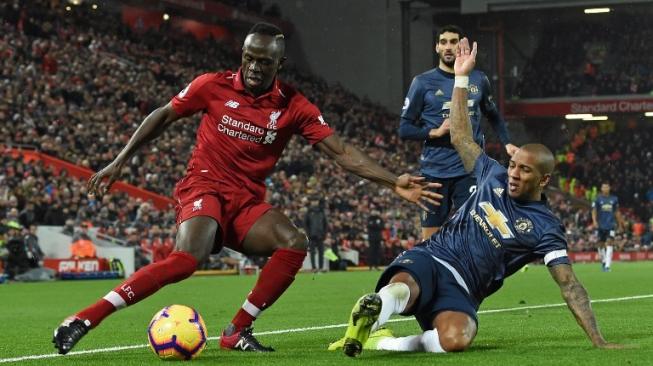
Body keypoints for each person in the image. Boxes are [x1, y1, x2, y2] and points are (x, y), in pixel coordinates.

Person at [52, 22, 441, 354]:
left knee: (294, 242)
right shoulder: (211, 86)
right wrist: (120, 161)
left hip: (245, 201)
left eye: (265, 62)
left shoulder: (293, 105)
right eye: (250, 58)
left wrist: (394, 182)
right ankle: (85, 318)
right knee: (189, 258)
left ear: (279, 64)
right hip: (204, 185)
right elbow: (163, 115)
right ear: (242, 54)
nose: (255, 67)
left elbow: (341, 152)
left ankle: (237, 330)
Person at [330, 38, 622, 357]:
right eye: (513, 165)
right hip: (433, 257)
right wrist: (461, 78)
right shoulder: (490, 172)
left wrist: (598, 339)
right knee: (402, 289)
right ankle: (371, 315)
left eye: (524, 170)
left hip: (464, 289)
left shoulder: (546, 229)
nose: (513, 173)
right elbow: (459, 135)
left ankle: (381, 339)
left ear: (544, 179)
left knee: (456, 340)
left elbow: (569, 285)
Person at [399, 25, 518, 240]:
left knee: (476, 233)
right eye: (443, 42)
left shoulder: (479, 79)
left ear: (461, 46)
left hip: (470, 169)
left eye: (453, 42)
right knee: (430, 240)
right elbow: (404, 128)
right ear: (436, 47)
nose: (448, 47)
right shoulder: (422, 82)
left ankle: (475, 273)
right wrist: (434, 132)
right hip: (434, 172)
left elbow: (493, 114)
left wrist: (507, 143)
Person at [591, 182, 624, 272]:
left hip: (611, 225)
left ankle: (607, 266)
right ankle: (604, 261)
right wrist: (594, 221)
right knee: (600, 245)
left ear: (609, 188)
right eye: (604, 187)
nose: (605, 188)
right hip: (600, 225)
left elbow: (617, 212)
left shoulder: (614, 199)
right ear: (601, 189)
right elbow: (594, 211)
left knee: (610, 243)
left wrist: (620, 224)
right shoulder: (597, 199)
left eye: (607, 187)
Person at [304, 197, 328, 273]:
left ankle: (321, 267)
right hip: (312, 235)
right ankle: (314, 267)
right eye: (313, 201)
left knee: (321, 252)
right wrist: (308, 233)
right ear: (311, 202)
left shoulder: (322, 212)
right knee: (312, 252)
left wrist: (324, 233)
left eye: (316, 201)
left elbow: (325, 224)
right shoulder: (309, 212)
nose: (315, 202)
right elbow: (305, 224)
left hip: (320, 235)